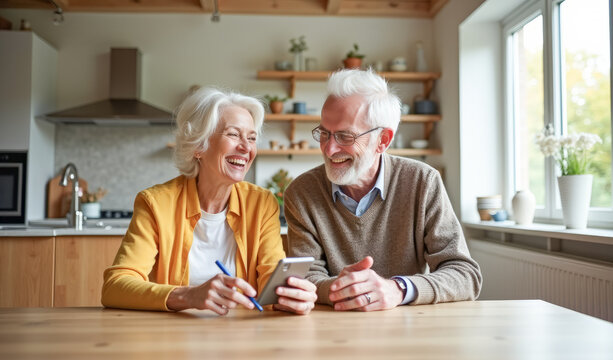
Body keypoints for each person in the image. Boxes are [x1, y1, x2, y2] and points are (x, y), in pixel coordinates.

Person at [102, 88, 317, 315]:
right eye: (233, 134)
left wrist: (290, 296)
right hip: (171, 338)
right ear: (198, 146)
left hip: (242, 338)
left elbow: (270, 279)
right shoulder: (155, 203)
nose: (246, 147)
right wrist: (188, 295)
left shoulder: (261, 203)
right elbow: (114, 287)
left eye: (252, 138)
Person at [284, 69, 482, 311]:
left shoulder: (422, 181)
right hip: (331, 329)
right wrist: (348, 288)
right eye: (324, 133)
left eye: (345, 136)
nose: (329, 149)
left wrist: (398, 289)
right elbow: (304, 278)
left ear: (383, 141)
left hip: (409, 330)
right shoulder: (302, 192)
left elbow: (465, 275)